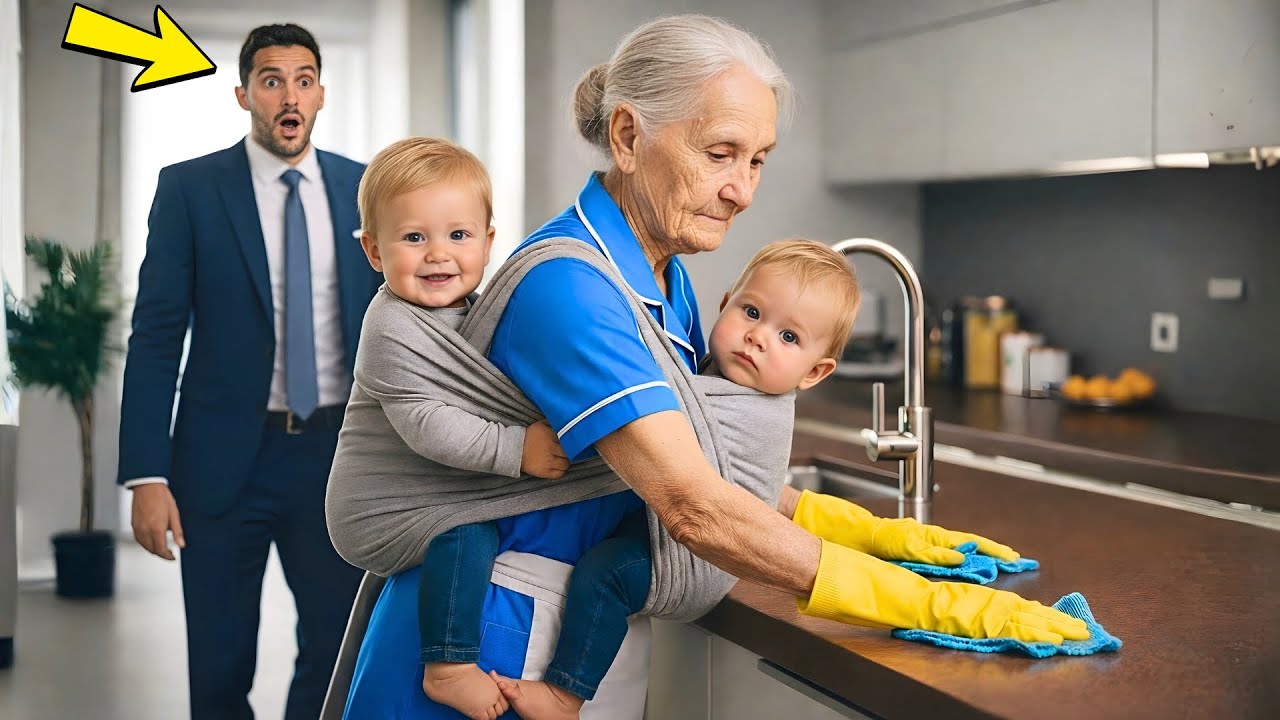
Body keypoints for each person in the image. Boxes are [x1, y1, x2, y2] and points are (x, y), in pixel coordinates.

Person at [336, 15, 1087, 719]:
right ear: (628, 136)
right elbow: (695, 505)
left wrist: (890, 539)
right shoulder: (570, 289)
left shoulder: (665, 279)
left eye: (757, 159)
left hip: (558, 627)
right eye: (720, 153)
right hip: (485, 641)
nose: (743, 190)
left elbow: (702, 458)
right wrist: (921, 603)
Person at [117, 23, 383, 720]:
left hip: (334, 457)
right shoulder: (190, 190)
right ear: (244, 95)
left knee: (334, 651)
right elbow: (155, 336)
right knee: (219, 659)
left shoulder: (364, 189)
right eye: (271, 81)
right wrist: (147, 475)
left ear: (321, 93)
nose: (288, 96)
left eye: (302, 80)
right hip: (220, 464)